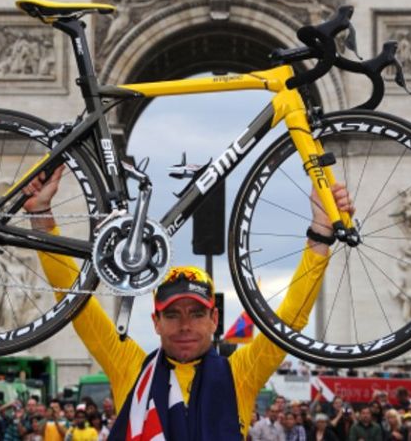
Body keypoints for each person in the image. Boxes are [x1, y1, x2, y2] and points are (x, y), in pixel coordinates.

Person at [23, 167, 354, 440]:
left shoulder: (242, 372)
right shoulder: (129, 364)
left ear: (214, 318)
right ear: (156, 321)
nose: (185, 325)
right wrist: (41, 216)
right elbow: (77, 303)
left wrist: (321, 234)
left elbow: (288, 321)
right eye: (172, 314)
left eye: (196, 313)